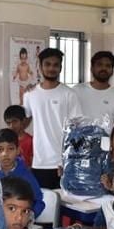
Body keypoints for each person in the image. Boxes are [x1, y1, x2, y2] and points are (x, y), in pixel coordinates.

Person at [23, 48, 83, 189]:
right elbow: (24, 121)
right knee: (44, 205)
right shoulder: (30, 94)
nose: (51, 68)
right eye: (47, 64)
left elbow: (77, 130)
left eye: (56, 65)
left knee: (65, 206)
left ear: (61, 68)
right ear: (40, 66)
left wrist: (71, 160)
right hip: (39, 162)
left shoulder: (69, 94)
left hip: (63, 163)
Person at [0, 128, 45, 218]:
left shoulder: (25, 175)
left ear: (18, 150)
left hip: (19, 221)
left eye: (10, 149)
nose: (5, 154)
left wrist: (29, 218)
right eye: (0, 149)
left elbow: (38, 201)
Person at [73, 51, 114, 126]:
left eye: (108, 66)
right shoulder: (77, 91)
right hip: (78, 137)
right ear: (92, 69)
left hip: (107, 138)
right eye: (99, 65)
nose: (104, 68)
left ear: (112, 71)